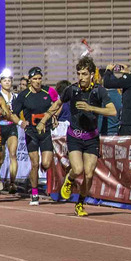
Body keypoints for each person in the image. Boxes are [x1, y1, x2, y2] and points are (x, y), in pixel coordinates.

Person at [45, 56, 114, 216]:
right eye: (79, 74)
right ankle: (69, 179)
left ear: (92, 75)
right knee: (77, 169)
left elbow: (112, 111)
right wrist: (44, 120)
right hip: (74, 136)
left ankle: (80, 203)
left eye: (84, 74)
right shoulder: (72, 89)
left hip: (91, 137)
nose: (81, 77)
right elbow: (57, 104)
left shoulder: (99, 91)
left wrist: (91, 108)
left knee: (89, 174)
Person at [11, 68, 55, 203]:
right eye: (35, 79)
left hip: (45, 131)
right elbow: (13, 114)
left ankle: (41, 169)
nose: (37, 81)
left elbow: (58, 104)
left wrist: (54, 116)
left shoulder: (48, 91)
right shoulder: (24, 95)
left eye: (39, 78)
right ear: (30, 80)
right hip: (31, 133)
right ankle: (34, 193)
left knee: (46, 163)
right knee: (34, 164)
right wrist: (20, 122)